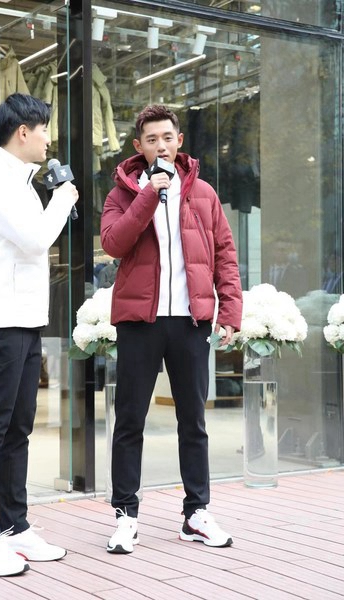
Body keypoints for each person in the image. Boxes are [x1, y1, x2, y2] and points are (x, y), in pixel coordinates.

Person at [100, 104, 242, 554]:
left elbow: (225, 254)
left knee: (193, 421)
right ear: (138, 146)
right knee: (130, 422)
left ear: (179, 141)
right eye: (151, 140)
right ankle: (126, 515)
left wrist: (230, 311)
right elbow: (113, 243)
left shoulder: (203, 193)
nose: (160, 146)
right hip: (139, 323)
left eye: (167, 137)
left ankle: (196, 513)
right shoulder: (122, 193)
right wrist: (148, 195)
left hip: (189, 321)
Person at [0, 93, 79, 577]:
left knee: (17, 429)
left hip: (24, 320)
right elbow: (34, 239)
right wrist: (64, 198)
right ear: (23, 132)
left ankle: (14, 525)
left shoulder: (19, 181)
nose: (49, 138)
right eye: (44, 129)